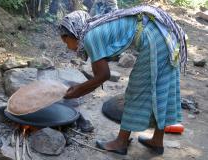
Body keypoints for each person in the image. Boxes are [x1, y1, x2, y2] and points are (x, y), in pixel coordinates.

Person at [59, 5, 187, 155]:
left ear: (74, 33)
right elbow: (101, 71)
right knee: (161, 89)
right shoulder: (95, 30)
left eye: (66, 41)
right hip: (164, 36)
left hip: (156, 41)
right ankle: (157, 141)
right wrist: (81, 88)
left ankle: (120, 143)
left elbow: (103, 75)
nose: (67, 47)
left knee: (136, 91)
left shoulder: (89, 37)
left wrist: (78, 91)